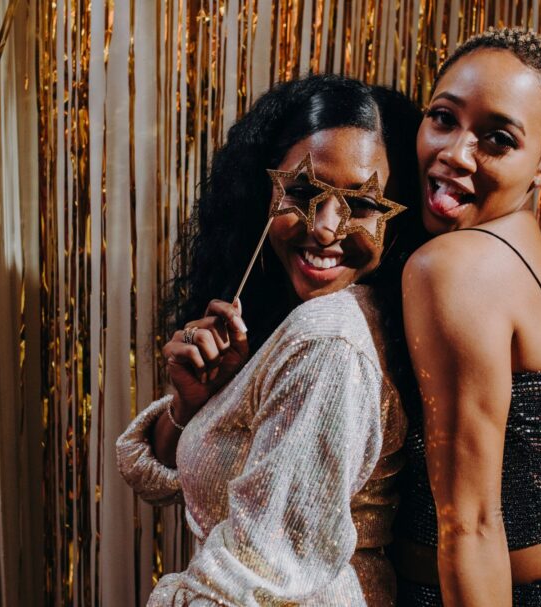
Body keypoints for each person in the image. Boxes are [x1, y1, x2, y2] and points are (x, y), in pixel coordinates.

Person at [116, 74, 422, 606]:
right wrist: (194, 403)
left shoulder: (328, 340)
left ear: (397, 218)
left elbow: (251, 580)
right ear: (264, 192)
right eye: (302, 192)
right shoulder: (298, 317)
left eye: (362, 204)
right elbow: (168, 481)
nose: (325, 227)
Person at [397, 28, 541, 606]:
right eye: (443, 118)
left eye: (498, 139)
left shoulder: (454, 265)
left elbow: (472, 525)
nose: (456, 154)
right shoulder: (520, 243)